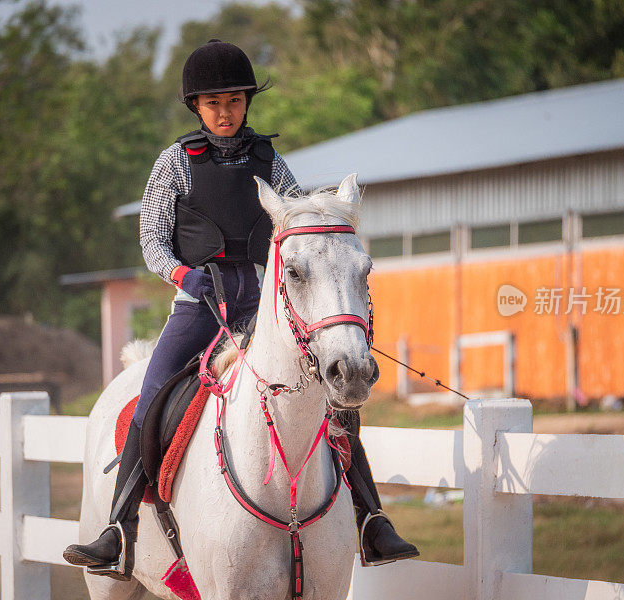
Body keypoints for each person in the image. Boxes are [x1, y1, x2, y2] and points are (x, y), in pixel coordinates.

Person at [63, 39, 418, 581]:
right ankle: (118, 530)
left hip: (261, 302)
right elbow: (152, 238)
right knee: (152, 399)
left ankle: (370, 517)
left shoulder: (269, 161)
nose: (224, 112)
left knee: (332, 398)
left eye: (233, 101)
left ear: (246, 103)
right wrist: (184, 274)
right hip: (197, 303)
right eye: (212, 103)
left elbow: (297, 222)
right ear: (196, 108)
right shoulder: (175, 163)